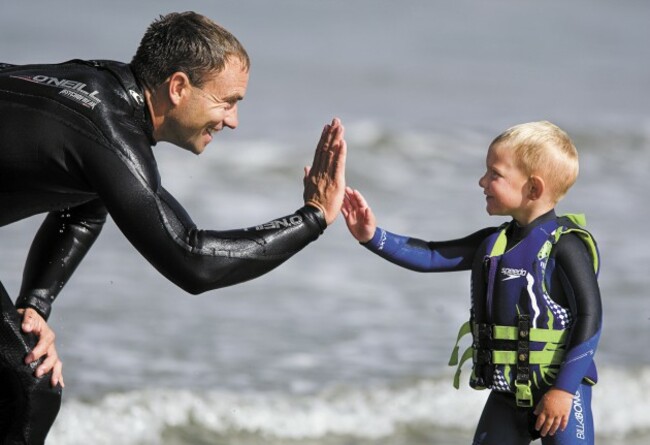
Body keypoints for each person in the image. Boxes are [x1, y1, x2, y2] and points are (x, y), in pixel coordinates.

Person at [0, 11, 346, 444]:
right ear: (178, 87)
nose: (233, 120)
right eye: (228, 101)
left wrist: (35, 303)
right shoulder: (109, 130)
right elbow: (192, 260)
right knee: (27, 390)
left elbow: (85, 203)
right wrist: (312, 217)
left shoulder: (96, 86)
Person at [342, 121, 601, 444]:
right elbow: (432, 256)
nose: (482, 181)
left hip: (562, 394)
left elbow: (590, 317)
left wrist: (563, 390)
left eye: (495, 174)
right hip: (506, 397)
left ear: (533, 189)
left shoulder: (566, 246)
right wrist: (372, 236)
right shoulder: (493, 243)